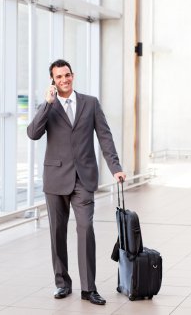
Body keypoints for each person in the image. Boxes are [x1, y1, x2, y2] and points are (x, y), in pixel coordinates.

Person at [27, 59, 126, 305]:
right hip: (56, 179)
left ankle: (88, 289)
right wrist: (46, 105)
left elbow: (105, 137)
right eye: (58, 77)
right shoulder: (48, 107)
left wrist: (116, 168)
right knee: (57, 234)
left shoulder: (90, 103)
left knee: (85, 230)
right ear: (53, 80)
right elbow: (33, 133)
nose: (64, 80)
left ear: (73, 75)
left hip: (83, 179)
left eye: (67, 75)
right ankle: (62, 283)